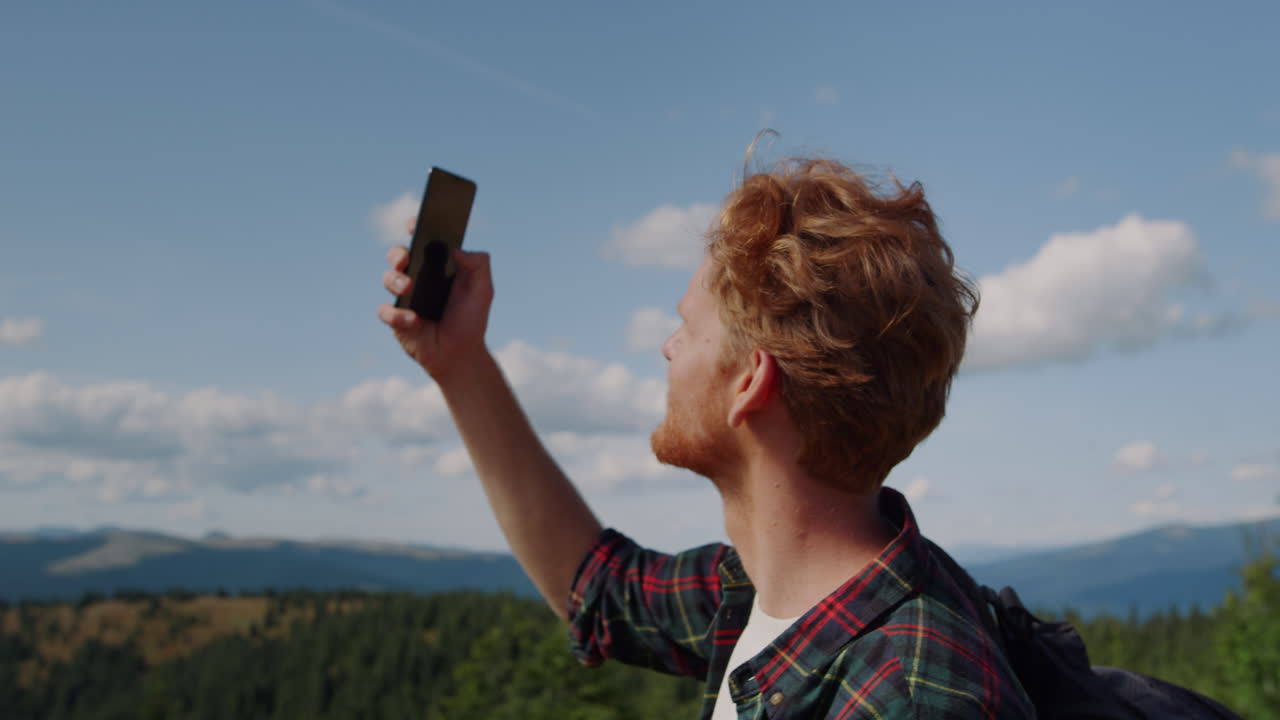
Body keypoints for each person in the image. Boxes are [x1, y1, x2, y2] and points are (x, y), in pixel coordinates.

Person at [377, 152, 1033, 719]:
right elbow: (599, 592)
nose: (668, 348)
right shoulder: (764, 588)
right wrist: (459, 363)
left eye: (687, 328)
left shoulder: (911, 701)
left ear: (750, 381)